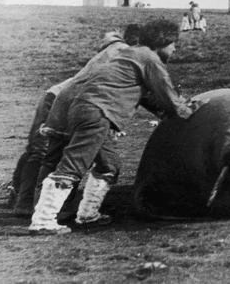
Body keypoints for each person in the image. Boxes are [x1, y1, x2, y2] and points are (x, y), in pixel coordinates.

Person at [28, 18, 197, 235]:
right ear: (162, 41)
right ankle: (43, 220)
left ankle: (88, 215)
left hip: (87, 110)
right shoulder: (149, 59)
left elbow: (149, 96)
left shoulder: (129, 53)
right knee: (73, 164)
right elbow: (168, 96)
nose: (174, 48)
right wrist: (190, 111)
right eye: (173, 43)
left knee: (109, 165)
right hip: (97, 113)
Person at [10, 25, 141, 218]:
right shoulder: (124, 54)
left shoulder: (111, 51)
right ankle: (31, 204)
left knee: (46, 154)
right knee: (49, 153)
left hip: (61, 98)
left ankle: (30, 202)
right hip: (69, 101)